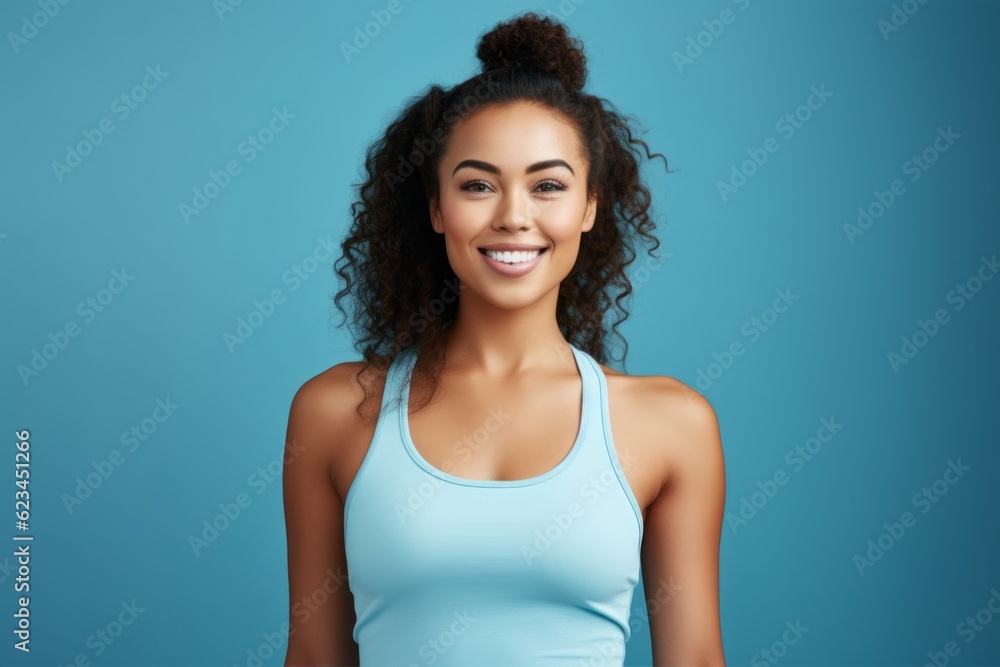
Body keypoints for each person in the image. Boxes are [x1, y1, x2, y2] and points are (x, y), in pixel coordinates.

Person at [282, 11, 726, 666]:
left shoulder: (673, 424)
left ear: (590, 206)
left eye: (548, 185)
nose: (514, 216)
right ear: (436, 207)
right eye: (478, 185)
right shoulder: (334, 413)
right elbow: (314, 659)